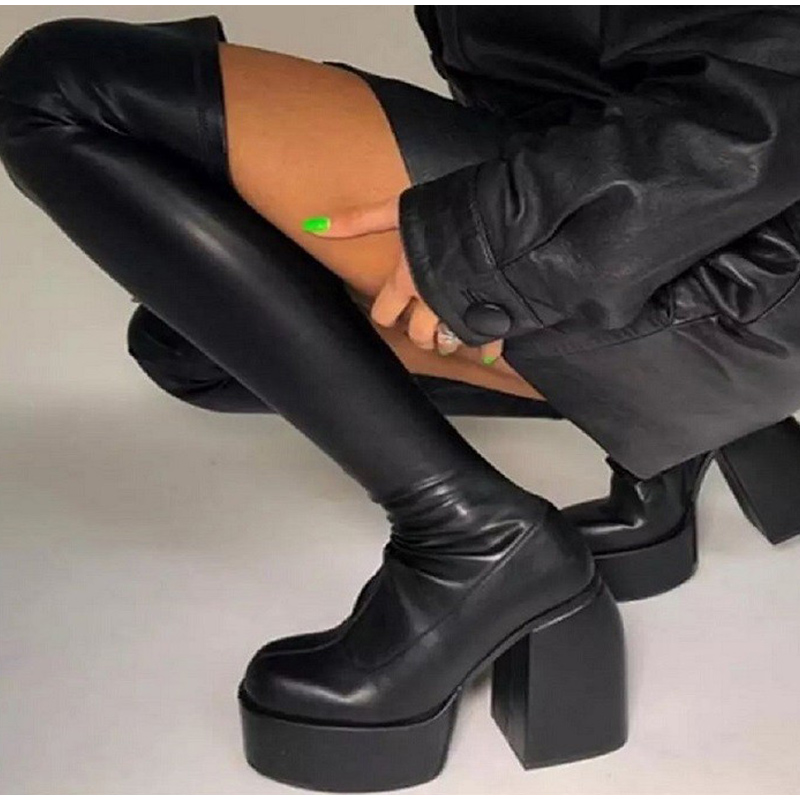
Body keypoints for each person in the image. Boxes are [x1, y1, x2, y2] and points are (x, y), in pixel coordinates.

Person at [0, 7, 796, 790]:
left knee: (60, 85)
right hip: (670, 231)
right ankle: (688, 434)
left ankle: (474, 539)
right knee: (196, 342)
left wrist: (488, 245)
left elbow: (774, 85)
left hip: (737, 268)